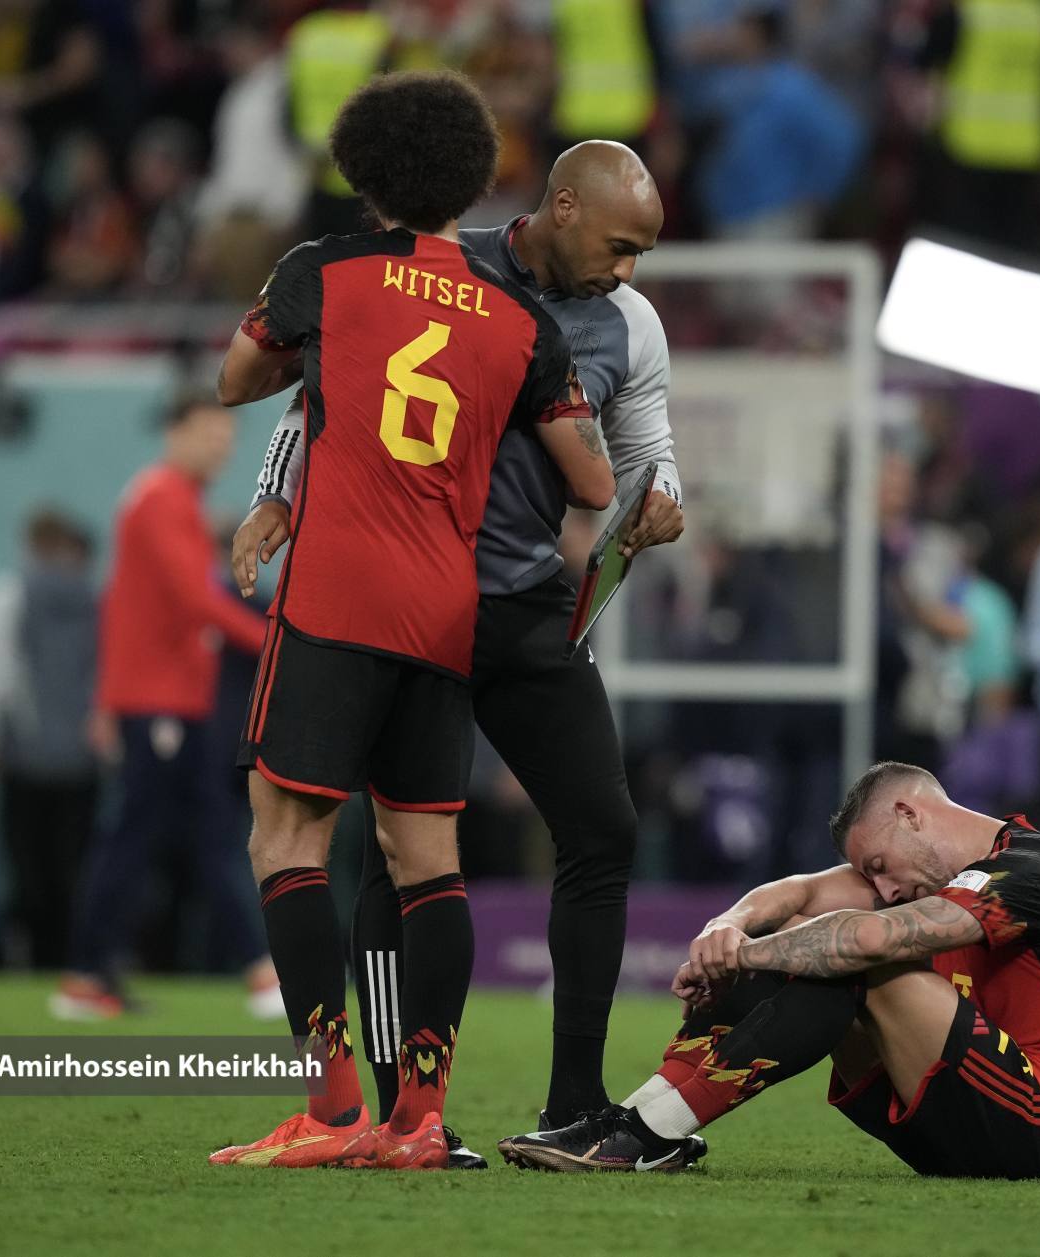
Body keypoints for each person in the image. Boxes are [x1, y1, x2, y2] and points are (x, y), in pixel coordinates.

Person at [233, 138, 683, 1142]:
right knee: (400, 855)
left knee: (601, 830)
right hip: (415, 601)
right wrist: (274, 491)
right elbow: (316, 396)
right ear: (563, 207)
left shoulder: (632, 323)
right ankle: (399, 1111)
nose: (626, 271)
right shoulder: (435, 262)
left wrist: (663, 500)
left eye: (641, 255)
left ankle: (572, 1103)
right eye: (619, 246)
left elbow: (646, 452)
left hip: (523, 603)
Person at [496, 761, 1040, 1180]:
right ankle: (630, 1123)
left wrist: (745, 955)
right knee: (801, 937)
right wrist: (726, 928)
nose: (884, 889)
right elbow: (800, 892)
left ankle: (648, 1135)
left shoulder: (1038, 874)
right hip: (968, 1121)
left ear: (910, 813)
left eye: (879, 866)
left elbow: (866, 937)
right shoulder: (949, 874)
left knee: (852, 957)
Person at [54, 400, 276, 1019]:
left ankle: (89, 976)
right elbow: (195, 600)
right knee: (168, 837)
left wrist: (107, 698)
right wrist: (276, 644)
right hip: (162, 703)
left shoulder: (162, 498)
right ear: (175, 432)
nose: (221, 447)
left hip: (166, 700)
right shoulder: (164, 500)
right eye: (209, 434)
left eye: (226, 437)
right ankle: (258, 974)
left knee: (174, 835)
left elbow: (125, 602)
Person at [0, 509, 99, 970]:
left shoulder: (10, 593)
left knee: (25, 867)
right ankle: (72, 960)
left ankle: (28, 960)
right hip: (82, 758)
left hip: (25, 753)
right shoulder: (93, 598)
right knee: (73, 867)